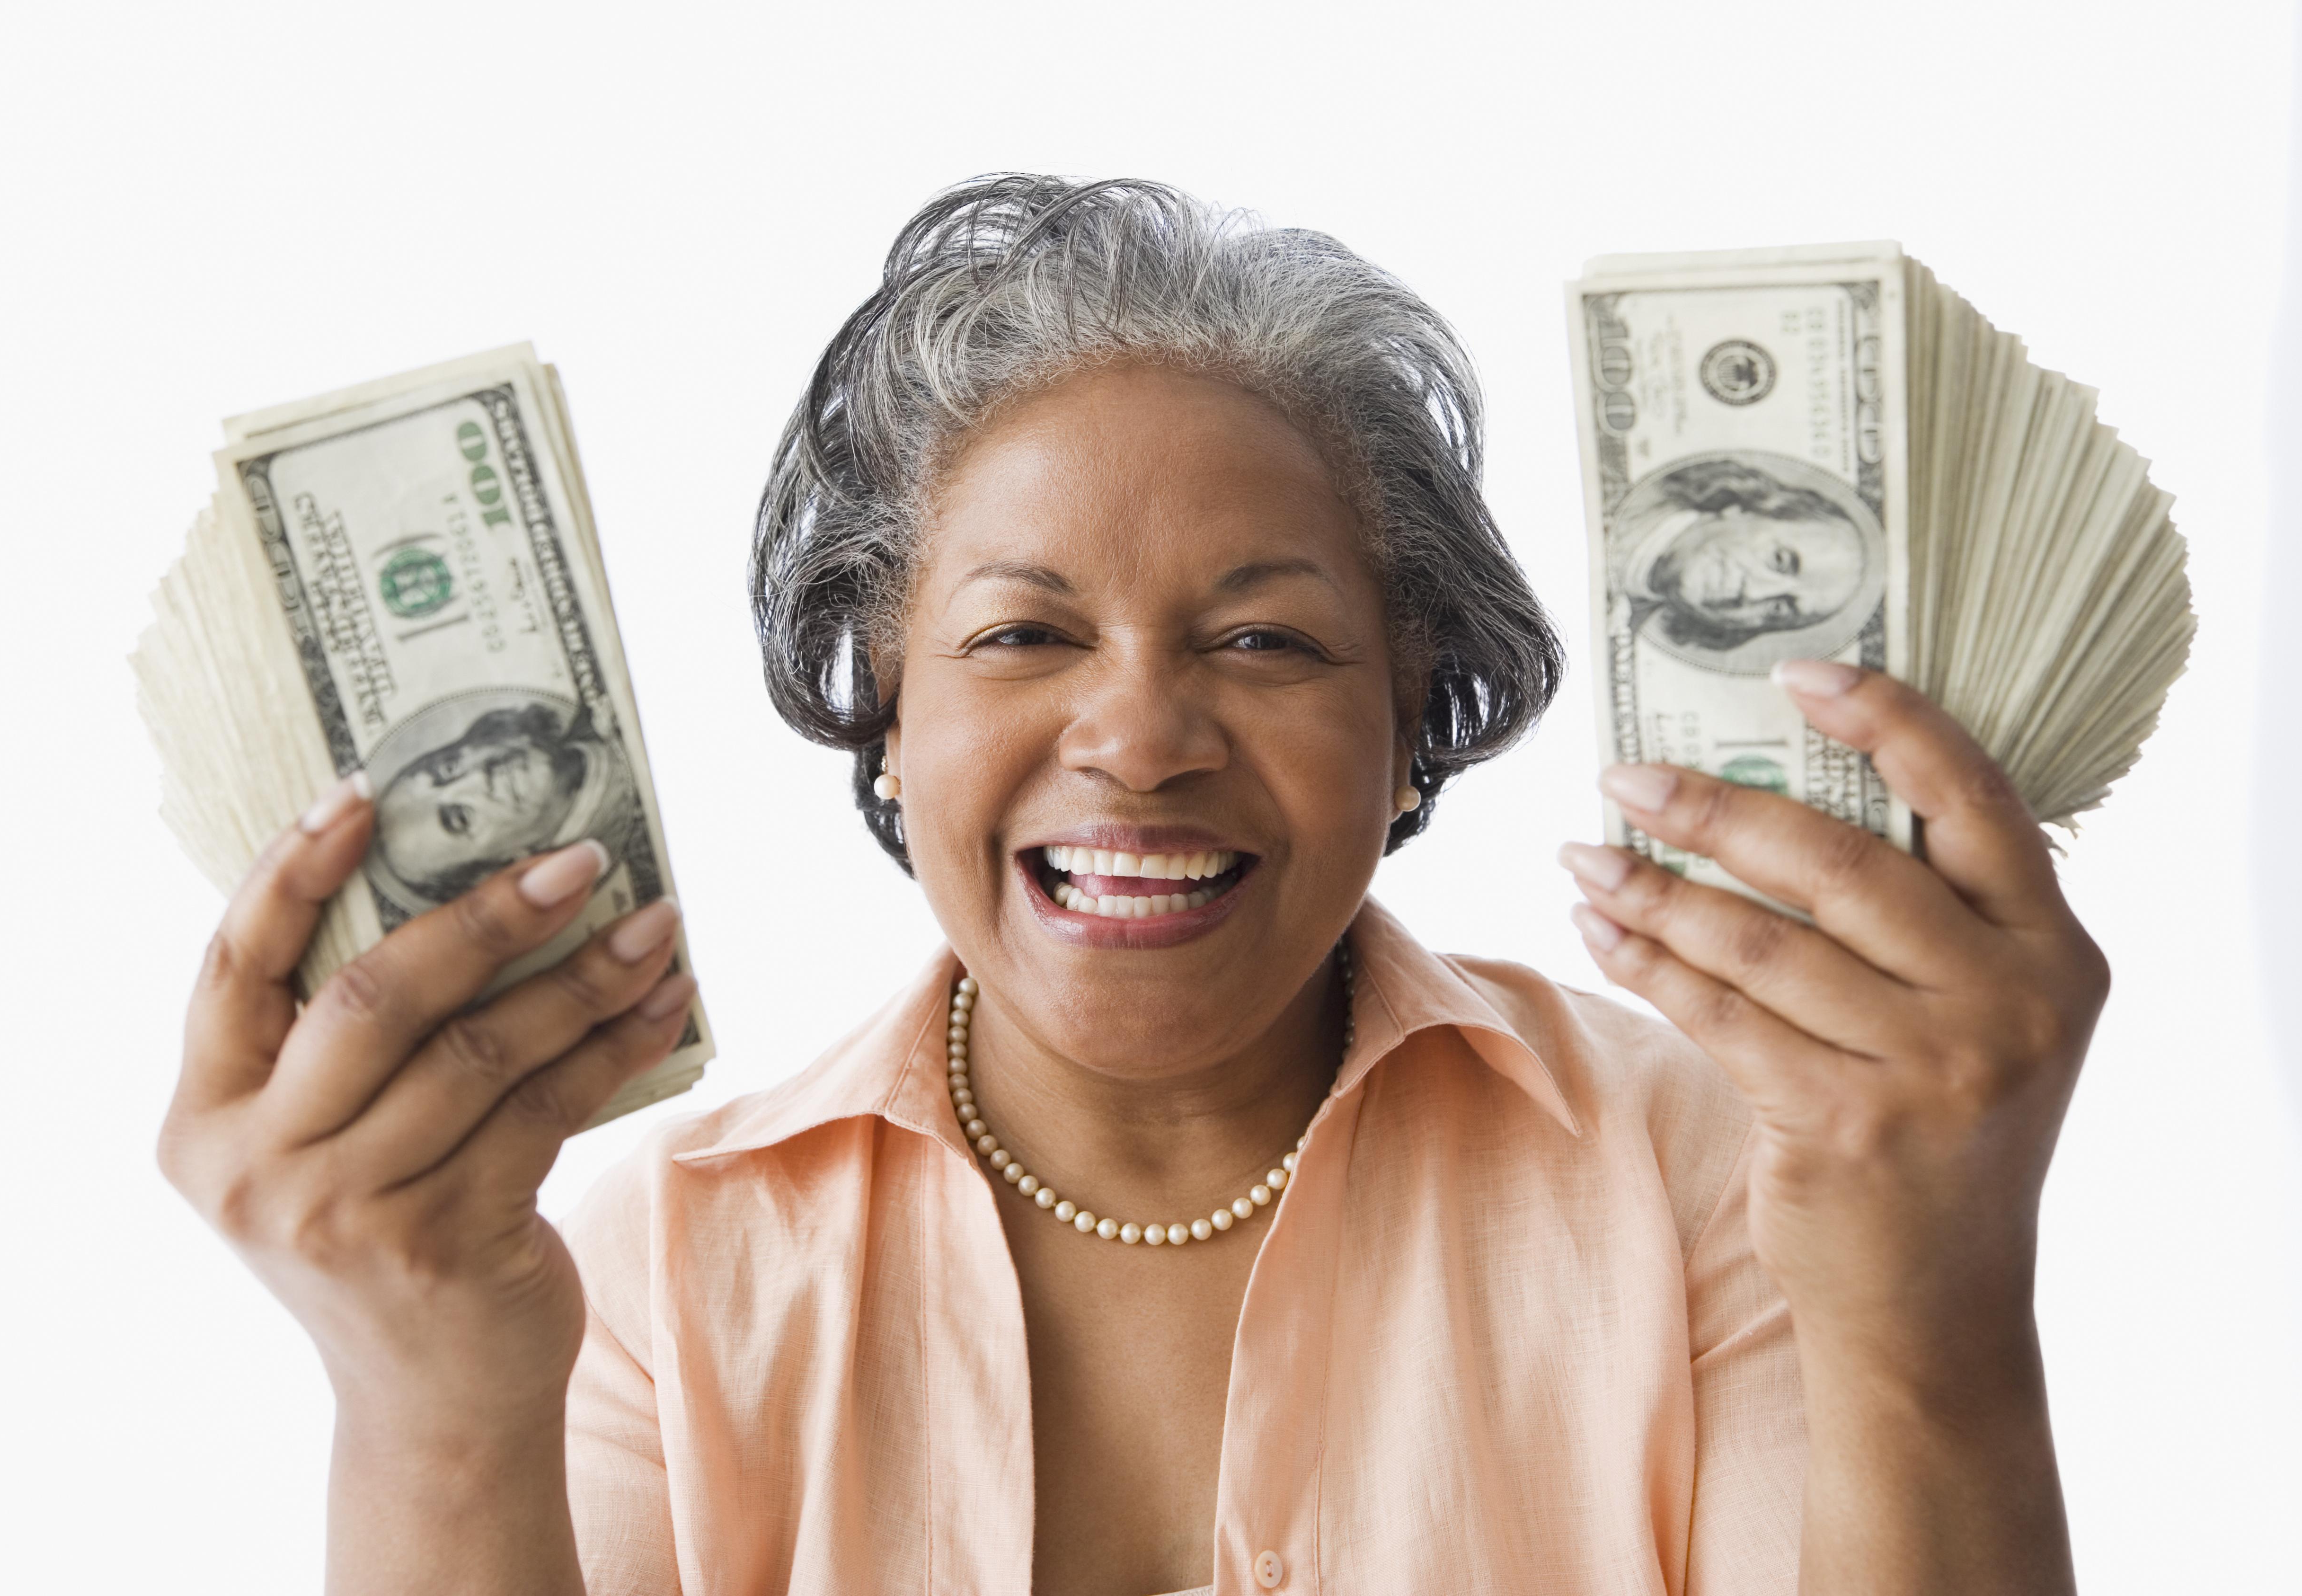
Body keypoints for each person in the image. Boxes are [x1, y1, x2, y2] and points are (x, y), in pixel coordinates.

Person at [158, 177, 2101, 1595]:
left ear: (1410, 718)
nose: (1141, 735)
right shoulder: (657, 1264)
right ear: (882, 715)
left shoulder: (1703, 1175)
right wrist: (429, 1398)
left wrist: (1927, 1290)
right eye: (1020, 637)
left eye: (1263, 643)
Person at [367, 697, 645, 913]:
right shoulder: (619, 835)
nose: (477, 777)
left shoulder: (591, 711)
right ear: (504, 863)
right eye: (461, 818)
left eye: (448, 768)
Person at [1612, 455, 1875, 656]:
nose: (1754, 594)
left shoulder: (1613, 640)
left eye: (1779, 609)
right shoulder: (1618, 481)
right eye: (1780, 561)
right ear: (1742, 507)